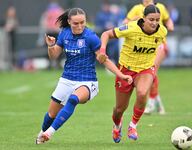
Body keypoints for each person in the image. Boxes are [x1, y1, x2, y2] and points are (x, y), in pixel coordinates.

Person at [35, 8, 133, 144]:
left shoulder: (90, 37)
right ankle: (42, 134)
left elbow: (104, 59)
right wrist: (51, 46)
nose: (80, 26)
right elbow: (53, 56)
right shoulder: (64, 34)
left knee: (73, 99)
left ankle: (50, 132)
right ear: (69, 22)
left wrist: (121, 75)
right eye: (76, 23)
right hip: (67, 79)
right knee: (51, 114)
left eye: (82, 22)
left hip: (87, 81)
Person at [100, 4, 167, 143]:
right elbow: (106, 34)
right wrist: (102, 50)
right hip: (125, 70)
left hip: (145, 69)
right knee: (119, 109)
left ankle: (133, 126)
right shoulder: (131, 28)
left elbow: (162, 48)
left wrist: (155, 65)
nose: (155, 23)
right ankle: (117, 125)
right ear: (143, 18)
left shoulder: (162, 32)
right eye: (151, 19)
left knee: (142, 93)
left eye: (157, 19)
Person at [123, 0, 174, 115]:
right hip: (143, 46)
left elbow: (167, 19)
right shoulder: (137, 8)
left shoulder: (160, 7)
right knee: (150, 73)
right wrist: (133, 20)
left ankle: (151, 103)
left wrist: (170, 25)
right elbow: (124, 23)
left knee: (151, 71)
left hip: (159, 45)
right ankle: (158, 103)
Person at [37, 0, 64, 69]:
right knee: (49, 48)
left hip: (56, 32)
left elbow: (61, 21)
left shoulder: (59, 10)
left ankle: (57, 63)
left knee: (58, 48)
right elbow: (44, 21)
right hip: (50, 31)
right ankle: (50, 64)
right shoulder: (49, 11)